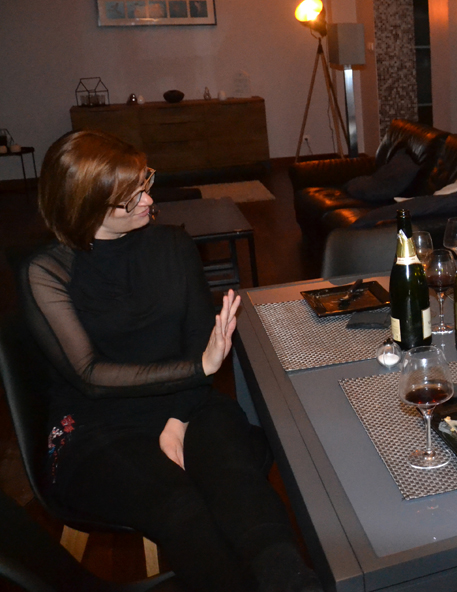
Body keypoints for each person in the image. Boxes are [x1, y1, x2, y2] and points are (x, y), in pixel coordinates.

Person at [20, 131, 320, 592]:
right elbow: (91, 375)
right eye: (131, 197)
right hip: (98, 428)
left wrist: (178, 418)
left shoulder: (173, 245)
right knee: (181, 510)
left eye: (145, 182)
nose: (148, 199)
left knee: (238, 486)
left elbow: (197, 340)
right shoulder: (47, 272)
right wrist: (199, 368)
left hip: (188, 402)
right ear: (86, 206)